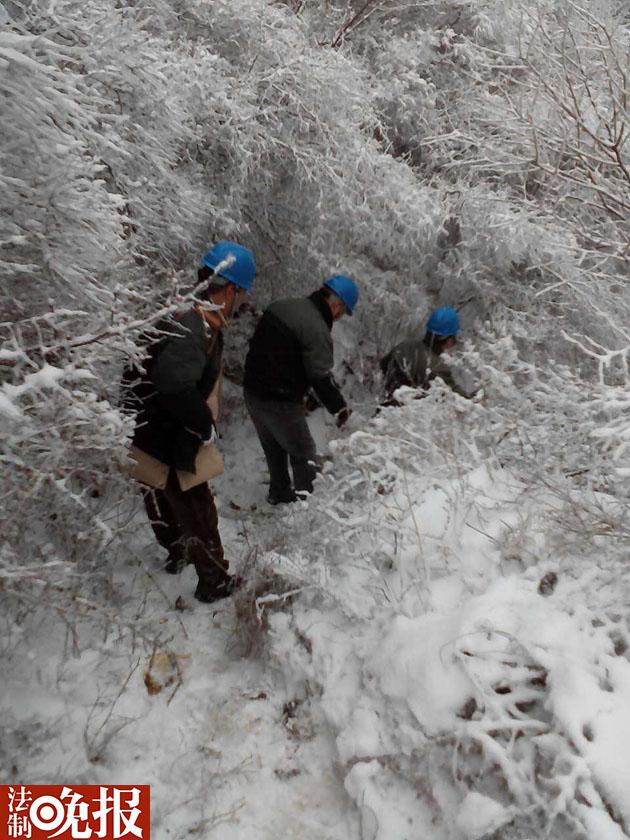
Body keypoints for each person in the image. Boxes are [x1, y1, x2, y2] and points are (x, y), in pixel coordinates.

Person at [124, 240, 256, 603]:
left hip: (148, 426)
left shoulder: (187, 313)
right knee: (197, 505)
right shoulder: (194, 326)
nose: (242, 302)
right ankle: (213, 581)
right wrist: (203, 423)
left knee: (160, 492)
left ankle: (177, 551)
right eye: (242, 293)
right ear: (229, 290)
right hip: (167, 429)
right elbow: (173, 383)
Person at [243, 275, 359, 504]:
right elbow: (321, 378)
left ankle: (279, 495)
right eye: (343, 311)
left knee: (274, 448)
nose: (339, 317)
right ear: (336, 304)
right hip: (280, 400)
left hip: (252, 392)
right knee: (304, 453)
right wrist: (341, 410)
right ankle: (309, 509)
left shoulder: (282, 306)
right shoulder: (317, 329)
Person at [380, 306, 468, 404]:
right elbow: (461, 401)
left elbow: (381, 369)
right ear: (449, 341)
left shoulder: (403, 347)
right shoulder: (439, 369)